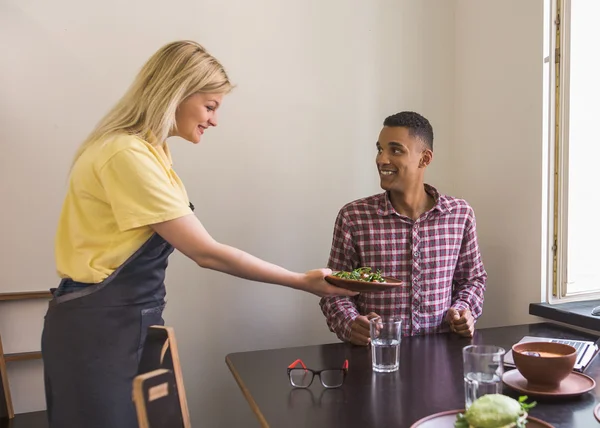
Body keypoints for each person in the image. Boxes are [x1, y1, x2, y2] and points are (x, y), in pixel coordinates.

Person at [41, 40, 356, 428]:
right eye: (210, 106)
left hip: (124, 322)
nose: (214, 120)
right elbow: (206, 253)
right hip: (98, 330)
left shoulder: (152, 155)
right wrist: (302, 281)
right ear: (174, 93)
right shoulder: (126, 155)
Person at [319, 111, 487, 345]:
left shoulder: (460, 215)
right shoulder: (354, 217)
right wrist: (350, 323)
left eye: (395, 150)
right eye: (380, 149)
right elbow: (332, 289)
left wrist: (463, 310)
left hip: (441, 360)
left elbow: (473, 280)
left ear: (424, 159)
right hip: (376, 359)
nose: (381, 159)